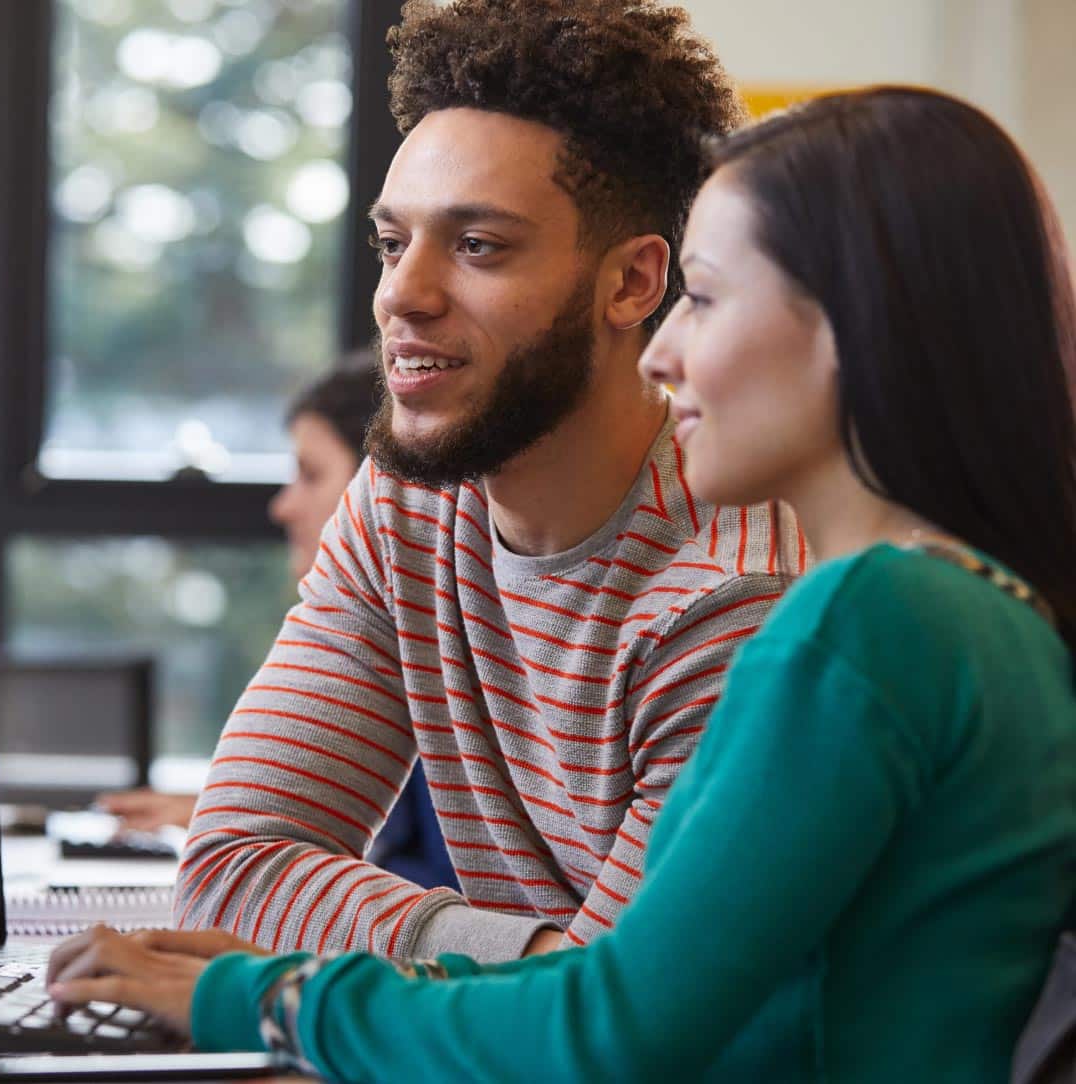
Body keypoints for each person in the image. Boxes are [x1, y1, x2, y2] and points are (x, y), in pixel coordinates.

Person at [45, 86, 1076, 1080]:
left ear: (854, 328)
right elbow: (664, 1005)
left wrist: (266, 997)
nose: (664, 351)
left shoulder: (860, 623)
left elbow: (604, 1026)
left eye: (705, 301)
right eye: (391, 241)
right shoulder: (979, 609)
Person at [167, 0, 800, 964]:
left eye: (477, 247)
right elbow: (232, 870)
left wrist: (445, 968)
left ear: (632, 285)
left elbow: (622, 1021)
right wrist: (525, 959)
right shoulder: (406, 507)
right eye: (392, 243)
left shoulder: (727, 599)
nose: (401, 295)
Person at [103, 359, 460, 890]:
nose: (283, 506)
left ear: (380, 485)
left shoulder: (454, 661)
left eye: (311, 474)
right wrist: (236, 815)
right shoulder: (390, 636)